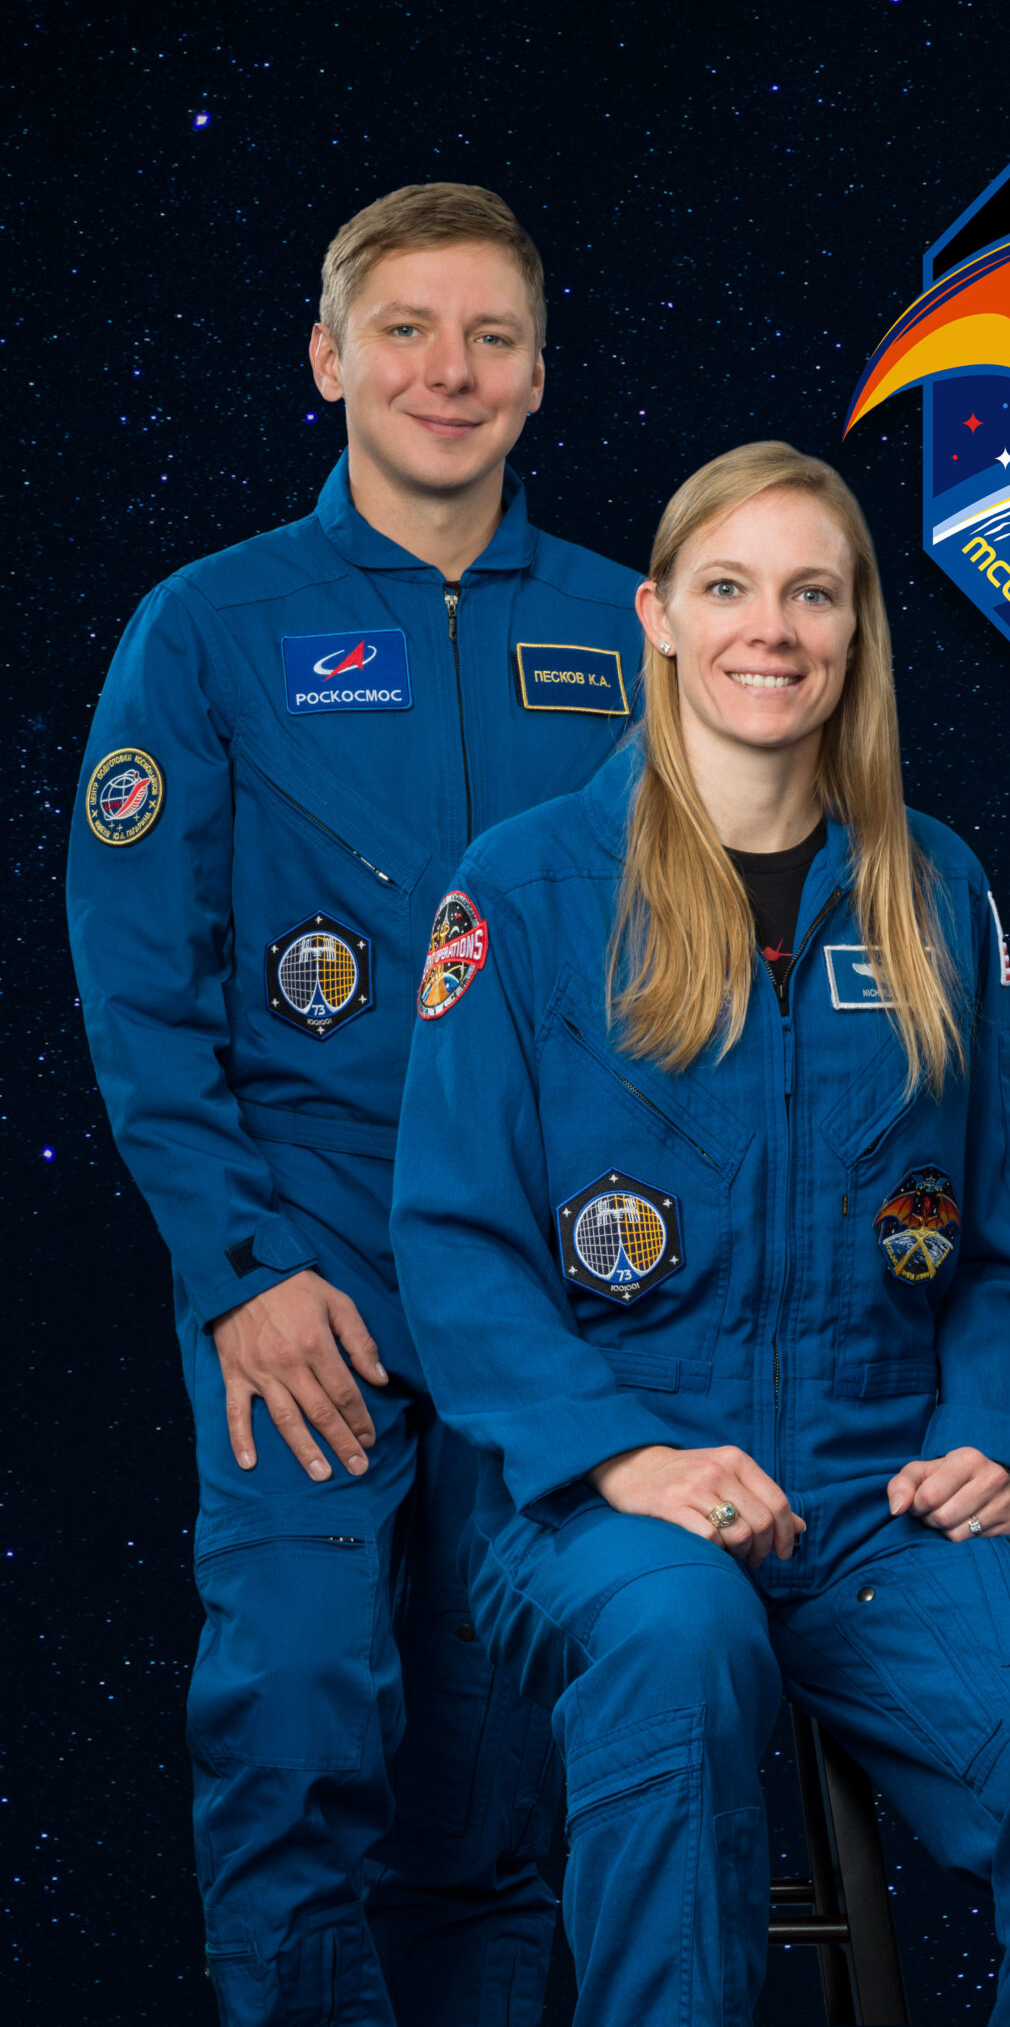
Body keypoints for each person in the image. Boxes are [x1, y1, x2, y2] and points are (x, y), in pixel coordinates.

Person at [387, 441, 1010, 2026]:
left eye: (812, 594)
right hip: (606, 1508)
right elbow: (455, 1245)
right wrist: (625, 1459)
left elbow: (1006, 1233)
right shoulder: (529, 888)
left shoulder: (935, 892)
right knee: (687, 1646)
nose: (772, 630)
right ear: (659, 617)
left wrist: (1000, 1438)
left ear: (854, 633)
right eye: (730, 589)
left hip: (877, 1495)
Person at [66, 183, 641, 2025]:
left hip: (550, 1274)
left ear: (541, 374)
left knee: (498, 1769)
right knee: (300, 1710)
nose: (446, 371)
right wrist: (239, 1269)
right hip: (304, 1249)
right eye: (404, 329)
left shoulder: (640, 636)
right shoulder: (214, 628)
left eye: (489, 335)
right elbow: (143, 986)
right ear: (329, 360)